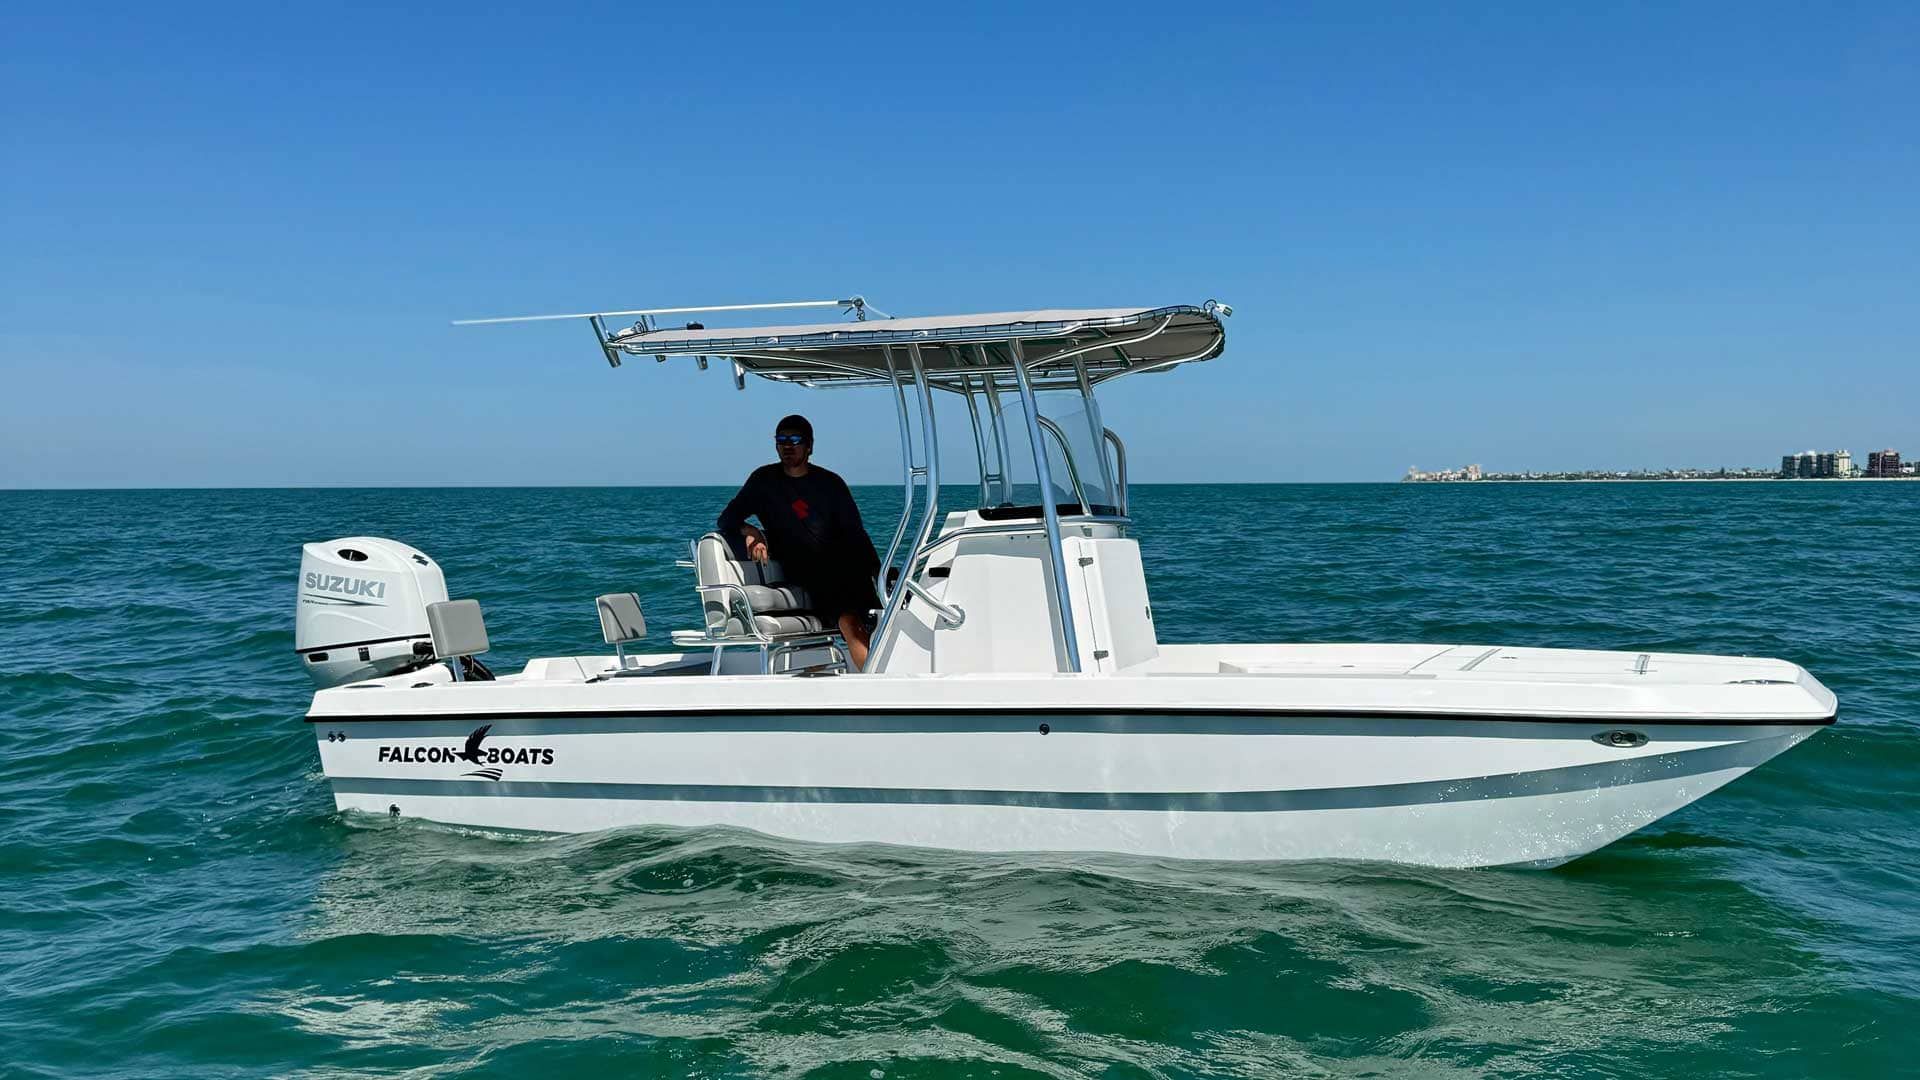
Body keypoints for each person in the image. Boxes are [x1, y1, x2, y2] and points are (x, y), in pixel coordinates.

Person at [716, 414, 881, 668]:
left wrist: (878, 573)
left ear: (809, 446)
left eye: (795, 439)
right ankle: (876, 683)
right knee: (849, 619)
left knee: (884, 613)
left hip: (845, 568)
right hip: (804, 572)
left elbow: (856, 535)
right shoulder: (764, 481)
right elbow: (727, 518)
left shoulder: (830, 483)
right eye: (781, 440)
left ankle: (889, 672)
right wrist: (750, 530)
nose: (788, 446)